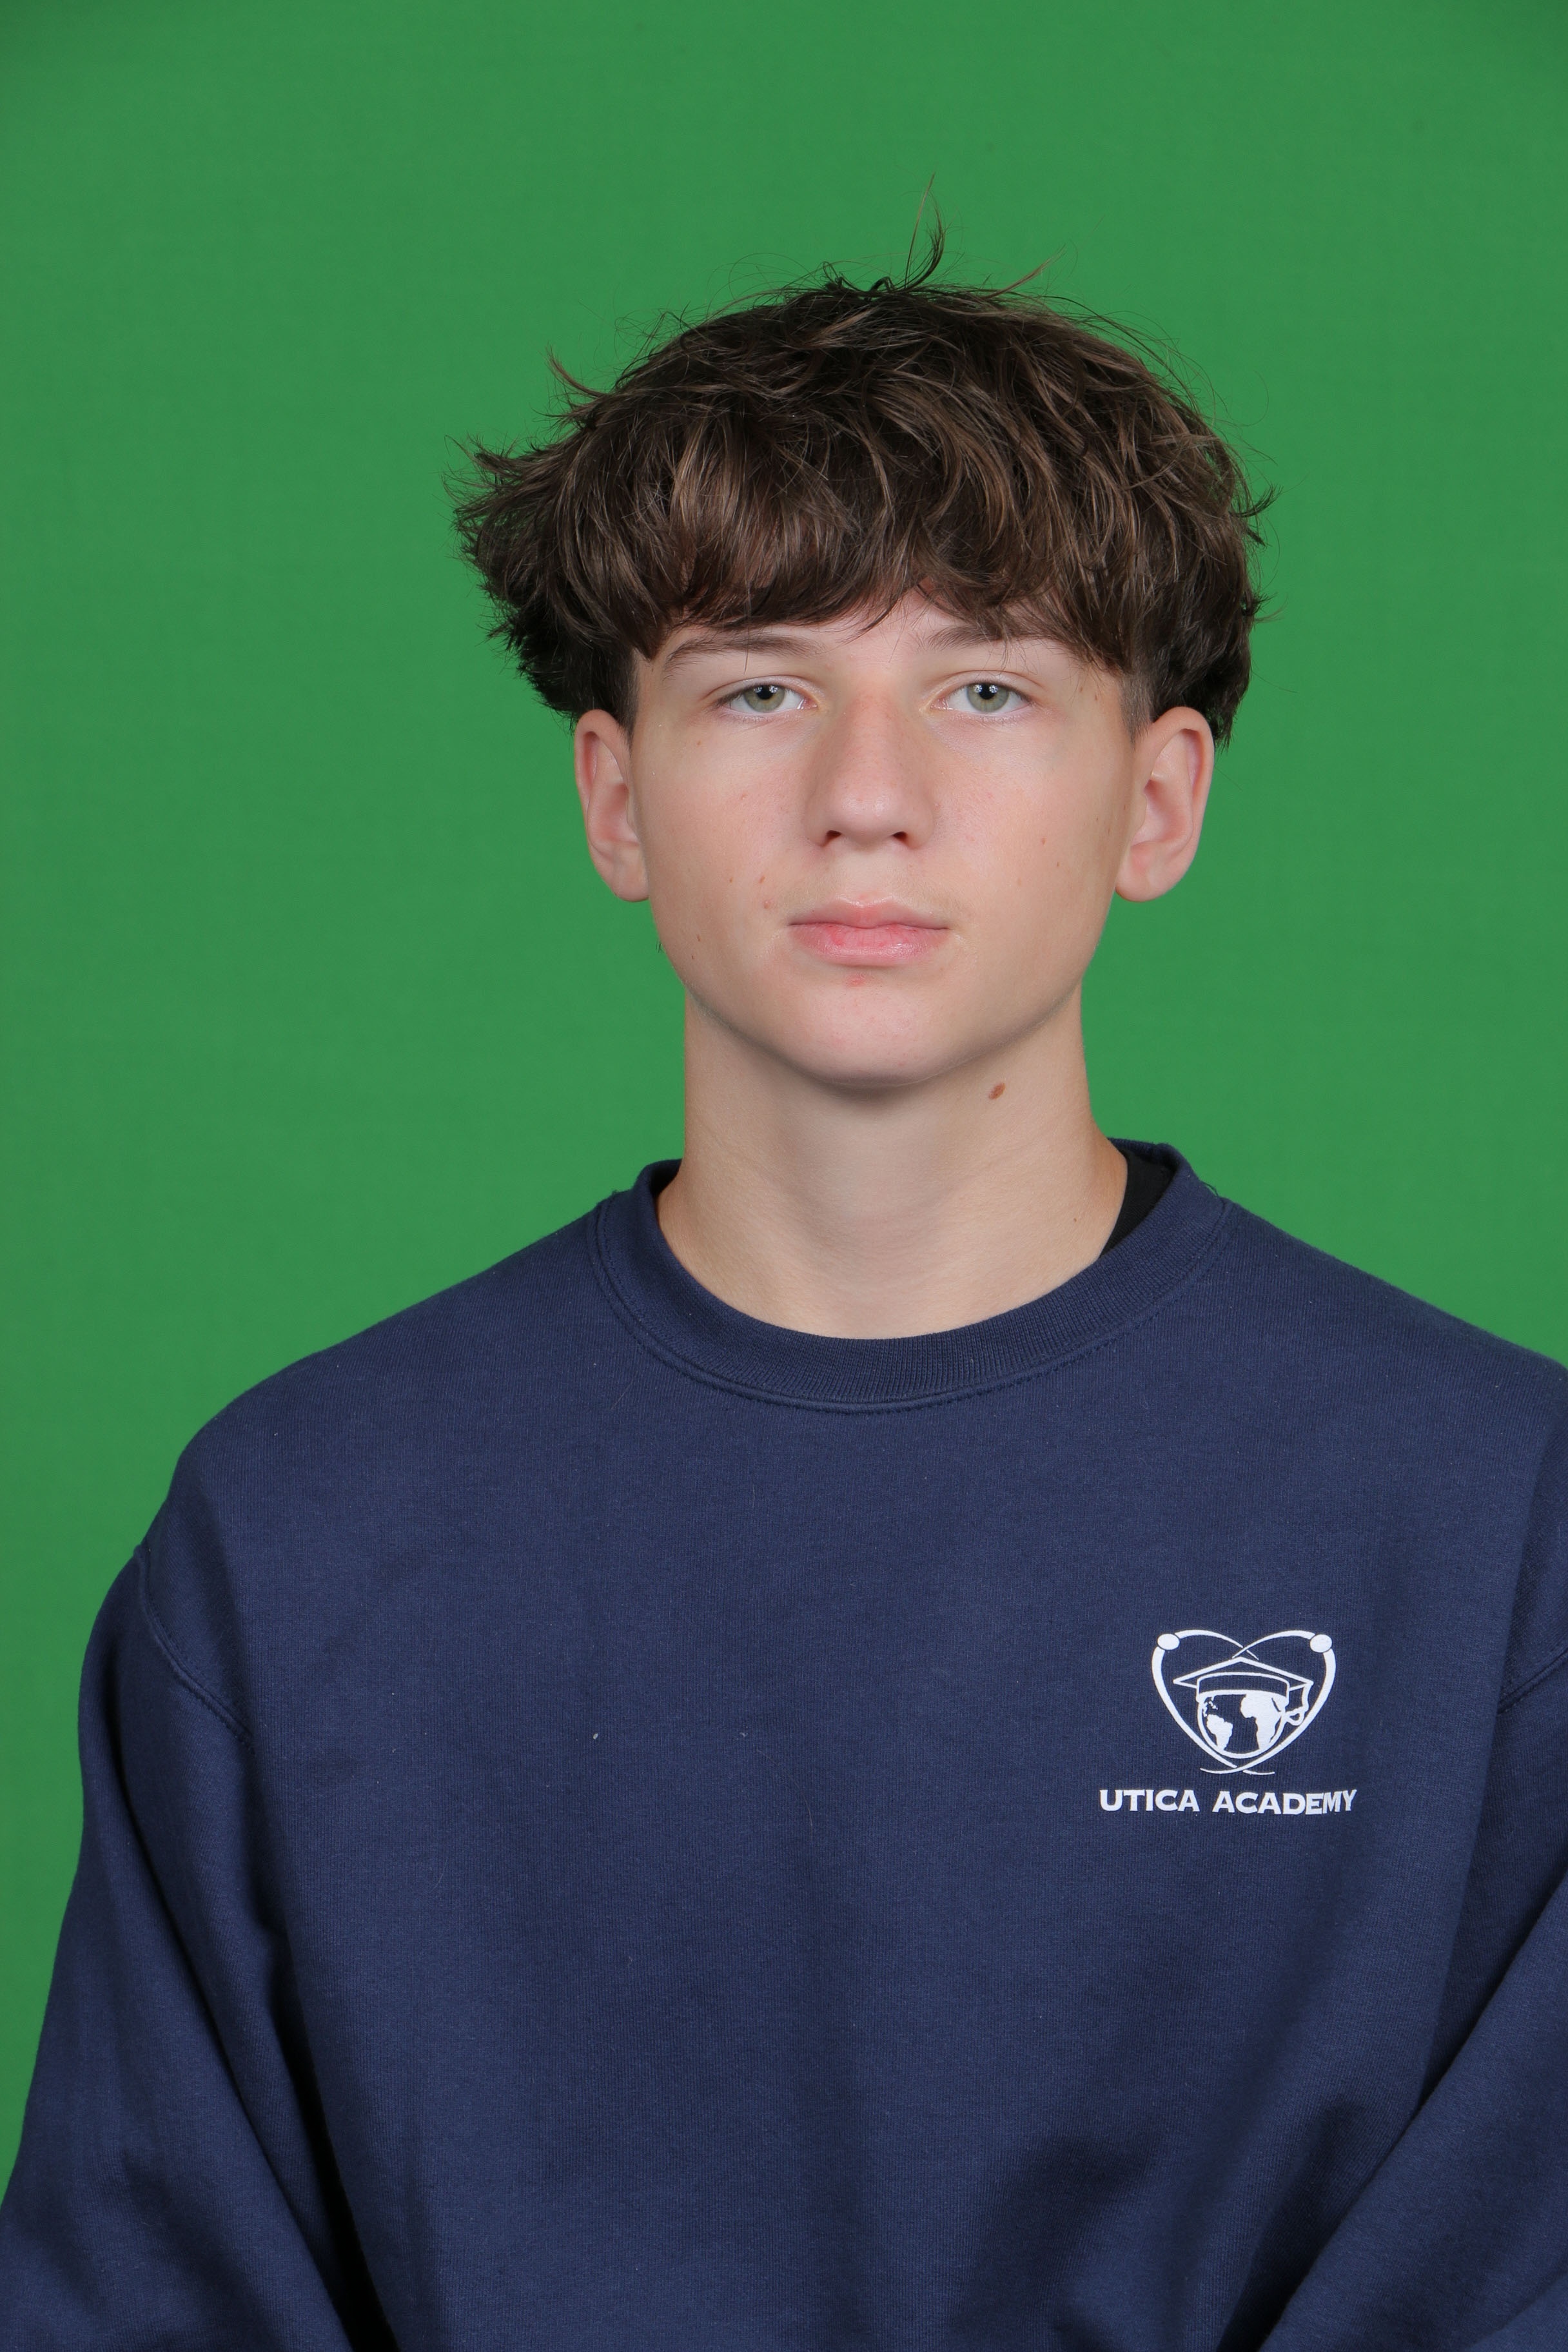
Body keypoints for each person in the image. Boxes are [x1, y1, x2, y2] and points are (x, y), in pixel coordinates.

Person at [1, 253, 1564, 2352]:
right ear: (615, 798)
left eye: (987, 687)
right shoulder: (298, 1534)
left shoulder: (1500, 1522)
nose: (864, 792)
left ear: (1160, 799)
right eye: (758, 687)